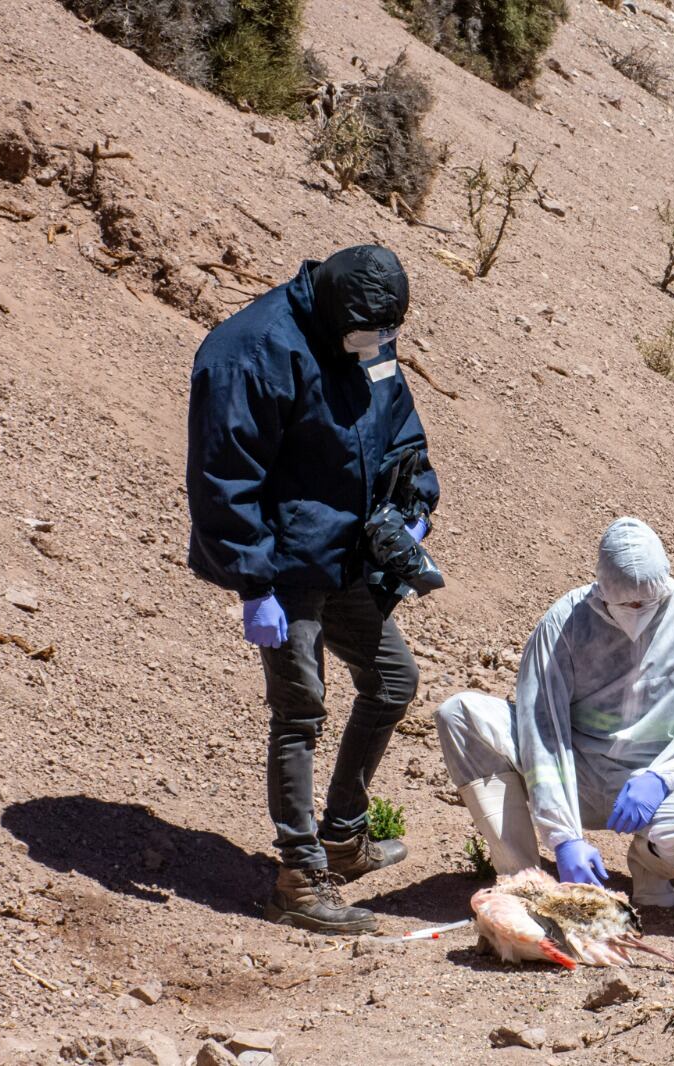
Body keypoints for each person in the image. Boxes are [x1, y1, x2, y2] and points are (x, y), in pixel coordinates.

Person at [187, 245, 440, 934]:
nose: (377, 345)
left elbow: (398, 426)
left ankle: (342, 838)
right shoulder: (251, 352)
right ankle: (299, 880)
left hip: (348, 555)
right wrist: (253, 584)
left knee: (392, 681)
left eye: (385, 333)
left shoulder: (365, 337)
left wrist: (413, 501)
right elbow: (223, 480)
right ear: (333, 308)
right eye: (367, 333)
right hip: (285, 566)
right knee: (301, 710)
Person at [435, 517, 674, 908]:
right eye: (625, 602)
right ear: (601, 587)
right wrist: (564, 837)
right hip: (577, 768)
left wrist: (662, 778)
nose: (636, 611)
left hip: (658, 778)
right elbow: (543, 728)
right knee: (460, 713)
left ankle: (650, 862)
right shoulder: (564, 623)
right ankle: (525, 882)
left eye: (647, 601)